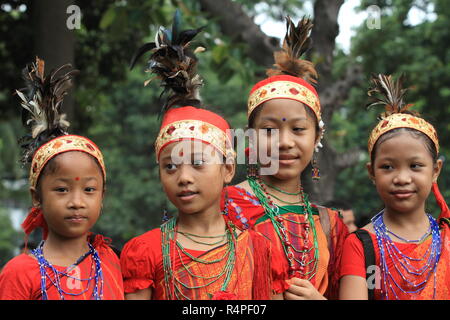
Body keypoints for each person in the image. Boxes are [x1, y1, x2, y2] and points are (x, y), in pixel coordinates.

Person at [120, 11, 283, 300]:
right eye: (170, 167)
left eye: (197, 164)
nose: (183, 177)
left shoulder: (260, 249)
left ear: (228, 169)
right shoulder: (146, 252)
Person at [221, 16, 348, 300]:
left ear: (317, 138)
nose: (285, 142)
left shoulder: (331, 225)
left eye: (299, 129)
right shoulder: (222, 207)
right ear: (250, 138)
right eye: (269, 130)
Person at [0, 58, 124, 300]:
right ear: (36, 197)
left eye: (89, 189)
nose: (76, 202)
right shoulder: (20, 273)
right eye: (62, 190)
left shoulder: (115, 261)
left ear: (102, 197)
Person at [339, 74, 450, 300]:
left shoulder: (446, 241)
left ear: (435, 170)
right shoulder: (361, 246)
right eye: (388, 167)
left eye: (415, 166)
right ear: (371, 172)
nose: (401, 178)